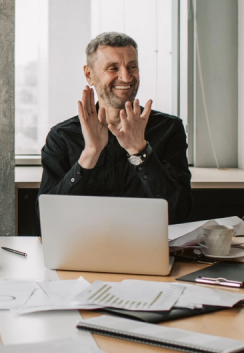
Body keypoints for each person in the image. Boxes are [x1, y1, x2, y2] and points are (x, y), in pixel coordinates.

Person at [38, 32, 192, 223]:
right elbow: (47, 219)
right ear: (89, 74)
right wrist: (90, 153)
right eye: (113, 68)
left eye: (132, 67)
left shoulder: (169, 129)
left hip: (147, 249)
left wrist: (140, 152)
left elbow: (180, 211)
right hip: (83, 249)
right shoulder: (62, 136)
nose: (126, 77)